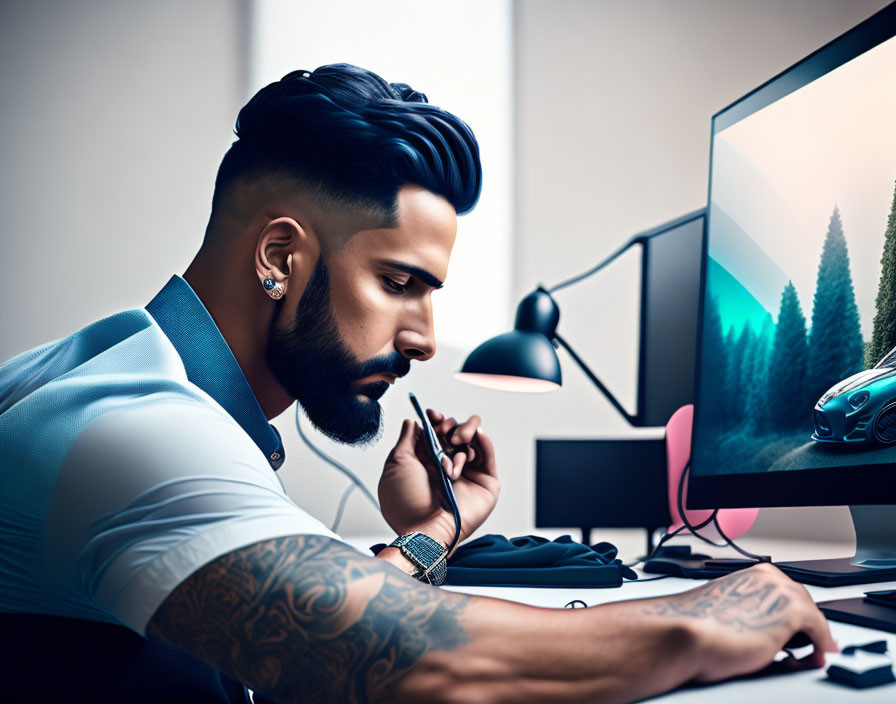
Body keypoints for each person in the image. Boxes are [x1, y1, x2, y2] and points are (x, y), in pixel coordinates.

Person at [0, 63, 836, 703]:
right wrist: (712, 614)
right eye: (400, 284)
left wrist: (440, 523)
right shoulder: (129, 431)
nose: (427, 341)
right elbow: (419, 658)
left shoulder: (123, 382)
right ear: (280, 258)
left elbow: (302, 615)